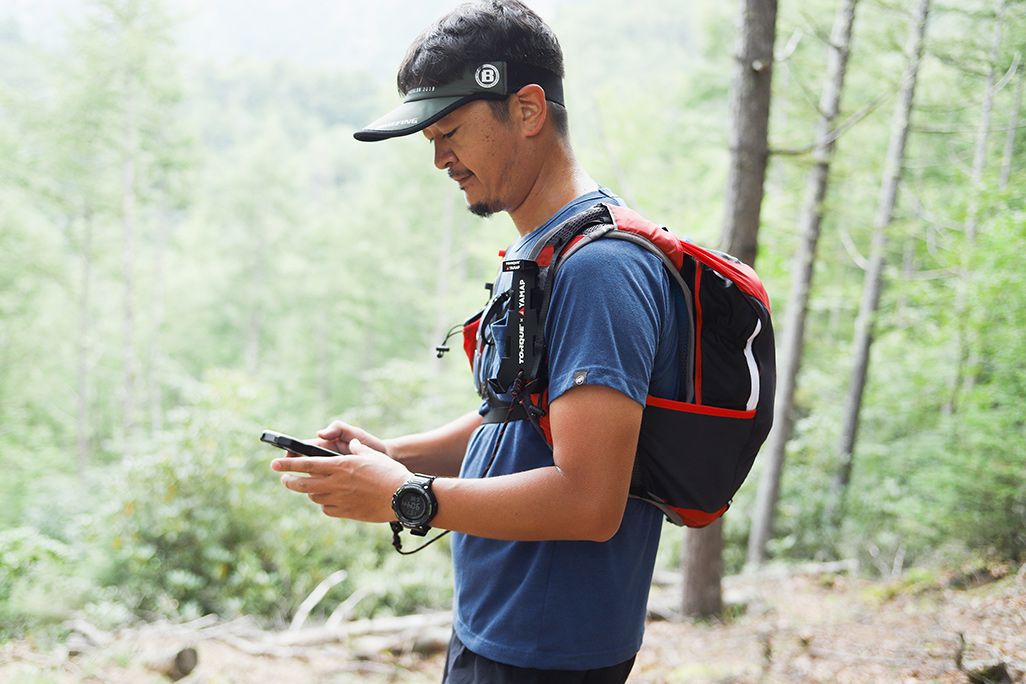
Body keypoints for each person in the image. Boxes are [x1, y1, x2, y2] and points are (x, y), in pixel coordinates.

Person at [271, 1, 685, 681]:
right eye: (429, 138)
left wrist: (410, 495)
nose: (438, 159)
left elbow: (590, 500)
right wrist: (392, 456)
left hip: (549, 655)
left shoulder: (600, 270)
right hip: (502, 631)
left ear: (526, 111)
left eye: (450, 131)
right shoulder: (551, 251)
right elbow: (520, 420)